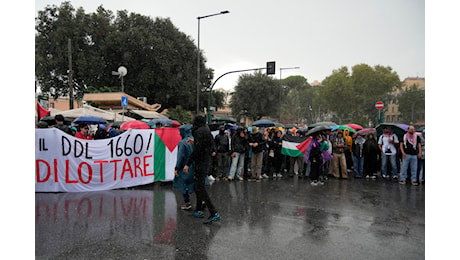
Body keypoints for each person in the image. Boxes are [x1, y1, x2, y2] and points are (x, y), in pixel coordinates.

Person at [183, 115, 220, 224]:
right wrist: (194, 141)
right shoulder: (206, 129)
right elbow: (205, 144)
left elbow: (197, 150)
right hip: (205, 160)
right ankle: (199, 209)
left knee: (200, 188)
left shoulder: (199, 131)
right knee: (198, 186)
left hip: (201, 162)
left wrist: (187, 164)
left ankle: (213, 212)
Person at [174, 124, 195, 210]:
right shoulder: (195, 140)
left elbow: (180, 157)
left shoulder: (183, 143)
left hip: (185, 167)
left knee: (183, 184)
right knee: (196, 184)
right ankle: (202, 201)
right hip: (195, 166)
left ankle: (187, 202)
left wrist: (177, 167)